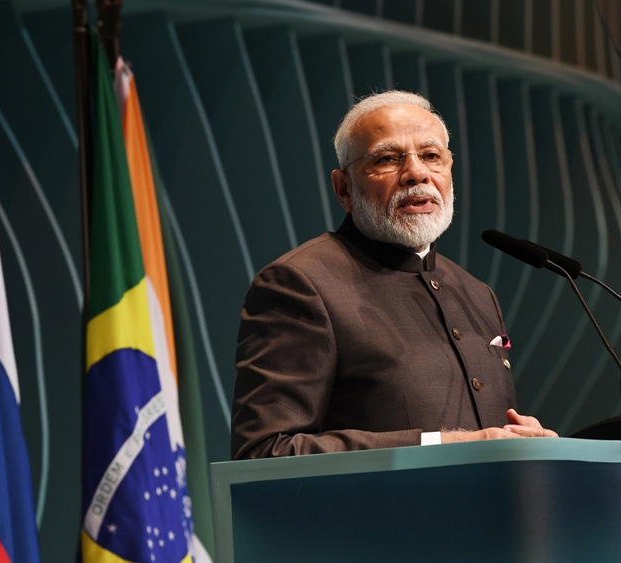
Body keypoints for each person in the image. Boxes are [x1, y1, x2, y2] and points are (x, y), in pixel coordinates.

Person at [231, 90, 557, 460]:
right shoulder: (300, 283)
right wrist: (439, 445)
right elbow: (265, 451)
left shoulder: (477, 292)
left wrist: (522, 442)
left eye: (432, 156)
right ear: (344, 188)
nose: (417, 173)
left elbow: (489, 439)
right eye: (387, 159)